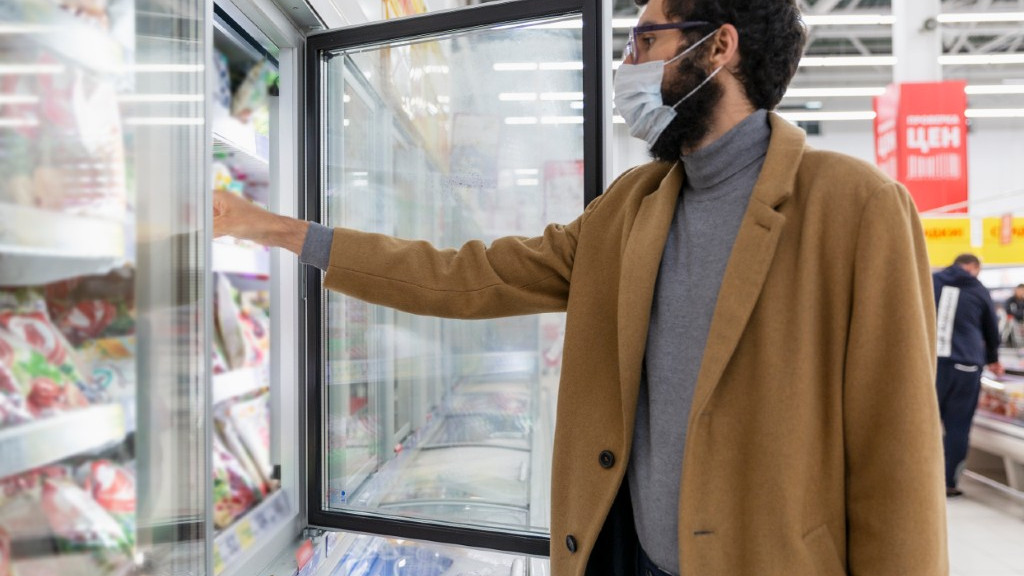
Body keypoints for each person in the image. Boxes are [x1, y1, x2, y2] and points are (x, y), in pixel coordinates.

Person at [214, 0, 948, 573]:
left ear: (718, 47)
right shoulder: (631, 209)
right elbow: (471, 276)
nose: (627, 63)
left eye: (645, 41)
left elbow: (899, 460)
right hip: (624, 557)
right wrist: (281, 231)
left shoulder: (855, 209)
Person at [932, 253, 1004, 498]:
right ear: (973, 267)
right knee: (958, 427)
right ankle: (948, 482)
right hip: (967, 366)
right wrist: (993, 359)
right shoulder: (978, 288)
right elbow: (992, 330)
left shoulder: (932, 281)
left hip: (932, 365)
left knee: (926, 424)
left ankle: (918, 480)